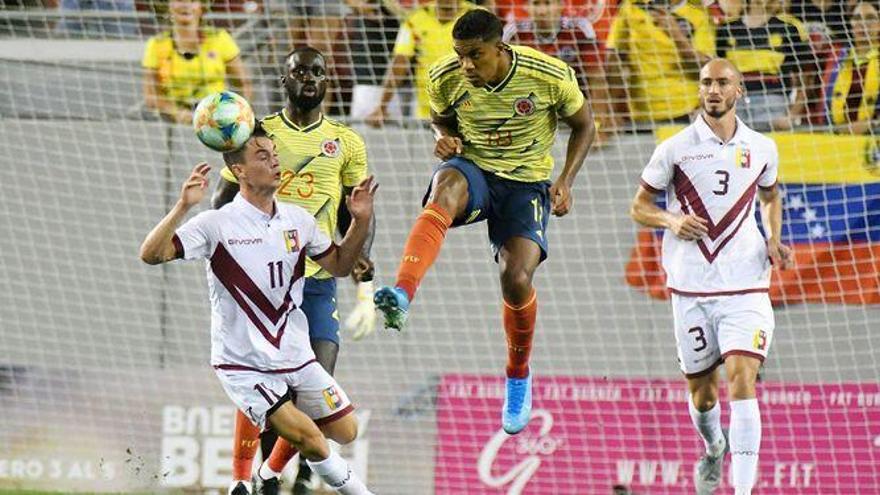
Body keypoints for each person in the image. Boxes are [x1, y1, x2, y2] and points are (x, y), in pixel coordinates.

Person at [373, 9, 596, 435]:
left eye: (475, 55)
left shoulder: (548, 74)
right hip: (474, 170)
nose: (467, 66)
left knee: (515, 279)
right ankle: (402, 292)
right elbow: (440, 118)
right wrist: (441, 136)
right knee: (445, 187)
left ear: (501, 47)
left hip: (526, 184)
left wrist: (566, 180)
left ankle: (517, 374)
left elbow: (584, 123)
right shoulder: (444, 77)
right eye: (460, 56)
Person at [138, 125, 378, 495]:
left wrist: (360, 221)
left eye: (274, 153)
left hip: (294, 354)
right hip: (244, 363)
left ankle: (264, 474)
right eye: (262, 156)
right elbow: (151, 254)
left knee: (346, 431)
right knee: (312, 439)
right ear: (240, 171)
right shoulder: (215, 224)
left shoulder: (298, 221)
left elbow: (341, 265)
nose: (274, 160)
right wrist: (183, 206)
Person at [211, 47, 376, 495]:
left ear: (329, 82)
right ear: (283, 80)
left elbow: (356, 211)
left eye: (319, 72)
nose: (310, 78)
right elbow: (221, 203)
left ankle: (282, 474)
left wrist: (361, 256)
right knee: (262, 387)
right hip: (266, 287)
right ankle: (252, 479)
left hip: (318, 282)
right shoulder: (258, 135)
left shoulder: (347, 142)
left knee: (317, 381)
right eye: (299, 71)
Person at [629, 58, 792, 495]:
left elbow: (771, 196)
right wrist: (669, 220)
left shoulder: (763, 147)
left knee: (743, 379)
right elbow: (638, 207)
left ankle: (742, 492)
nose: (713, 90)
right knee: (704, 396)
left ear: (739, 91)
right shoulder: (674, 148)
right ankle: (713, 445)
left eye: (722, 83)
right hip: (692, 287)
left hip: (747, 284)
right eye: (706, 83)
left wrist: (773, 238)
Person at [503, 0, 618, 143]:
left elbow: (596, 79)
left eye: (547, 3)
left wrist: (597, 126)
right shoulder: (514, 33)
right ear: (527, 7)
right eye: (536, 4)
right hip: (531, 110)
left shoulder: (579, 30)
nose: (542, 11)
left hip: (575, 110)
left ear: (560, 5)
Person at [365, 0, 477, 126]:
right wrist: (382, 106)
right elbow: (400, 61)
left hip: (470, 112)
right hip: (427, 113)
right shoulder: (415, 19)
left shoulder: (478, 17)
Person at [142, 0, 253, 125]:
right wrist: (176, 112)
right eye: (179, 0)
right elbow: (151, 95)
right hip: (175, 124)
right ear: (167, 5)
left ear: (202, 6)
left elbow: (244, 83)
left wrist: (237, 115)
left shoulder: (220, 39)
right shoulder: (157, 45)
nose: (186, 5)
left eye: (193, 1)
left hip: (218, 121)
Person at [605, 0, 715, 124]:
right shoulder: (632, 6)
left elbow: (708, 67)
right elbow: (614, 57)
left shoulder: (698, 12)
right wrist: (614, 108)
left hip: (686, 111)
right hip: (640, 113)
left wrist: (676, 35)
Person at [715, 0, 812, 131]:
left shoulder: (789, 28)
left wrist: (792, 115)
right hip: (732, 105)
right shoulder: (726, 29)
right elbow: (715, 74)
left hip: (772, 104)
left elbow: (807, 74)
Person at [826, 2, 880, 135]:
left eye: (870, 18)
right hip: (838, 138)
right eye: (857, 18)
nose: (863, 24)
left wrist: (873, 124)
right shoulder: (837, 57)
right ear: (850, 23)